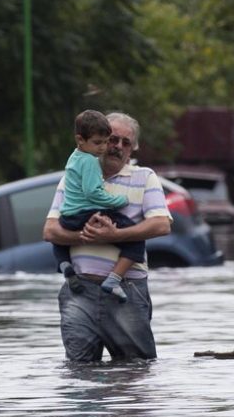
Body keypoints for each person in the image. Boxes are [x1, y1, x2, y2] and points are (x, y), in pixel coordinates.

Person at [43, 112, 172, 362]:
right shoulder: (73, 176)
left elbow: (161, 225)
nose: (117, 147)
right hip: (79, 290)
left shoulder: (145, 177)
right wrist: (87, 236)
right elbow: (50, 231)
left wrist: (115, 235)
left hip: (127, 291)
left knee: (135, 368)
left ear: (133, 149)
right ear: (97, 140)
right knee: (79, 370)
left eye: (126, 142)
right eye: (112, 139)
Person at [53, 110, 144, 303]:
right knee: (137, 240)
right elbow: (93, 193)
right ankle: (114, 280)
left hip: (68, 216)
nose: (103, 148)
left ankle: (65, 266)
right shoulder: (91, 161)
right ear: (80, 140)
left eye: (105, 142)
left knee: (59, 240)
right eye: (99, 142)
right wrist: (119, 201)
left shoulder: (74, 157)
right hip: (87, 214)